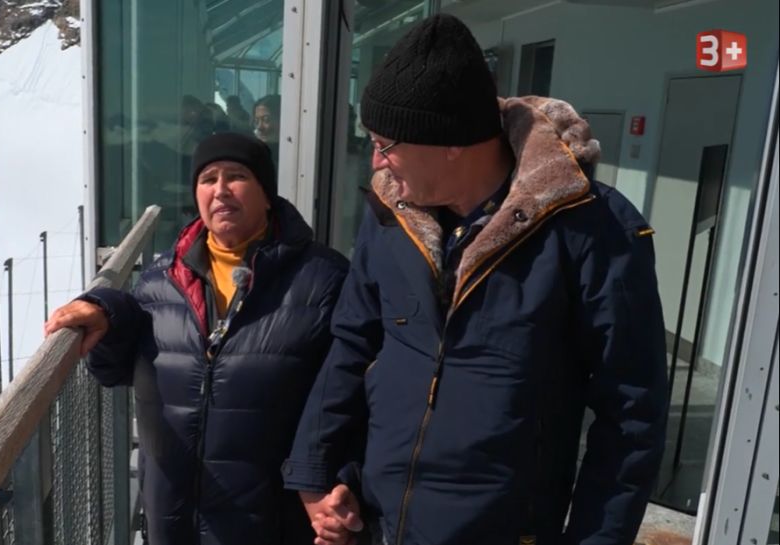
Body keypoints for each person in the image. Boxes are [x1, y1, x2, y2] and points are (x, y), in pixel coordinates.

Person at [283, 14, 668, 545]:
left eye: (385, 142)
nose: (376, 160)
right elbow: (352, 345)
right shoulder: (391, 218)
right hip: (378, 524)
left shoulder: (592, 231)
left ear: (451, 142)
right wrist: (315, 472)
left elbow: (631, 417)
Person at [45, 132, 349, 545]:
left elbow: (350, 396)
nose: (220, 190)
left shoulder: (324, 280)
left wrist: (340, 482)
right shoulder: (161, 281)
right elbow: (113, 369)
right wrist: (106, 310)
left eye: (237, 176)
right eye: (208, 179)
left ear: (266, 194)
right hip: (174, 520)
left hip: (270, 523)